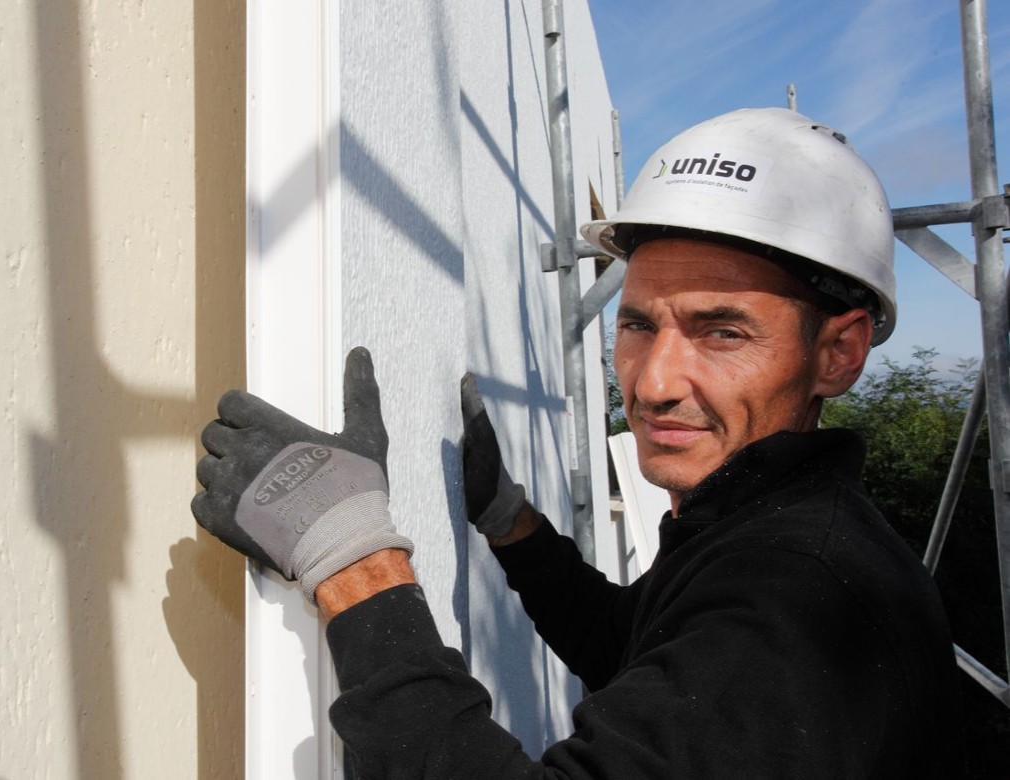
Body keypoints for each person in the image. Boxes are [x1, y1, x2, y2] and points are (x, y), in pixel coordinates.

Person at [192, 108, 963, 777]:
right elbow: (629, 642)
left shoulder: (798, 596)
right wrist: (513, 525)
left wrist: (350, 555)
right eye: (638, 325)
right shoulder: (758, 525)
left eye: (722, 332)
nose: (652, 382)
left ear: (838, 353)